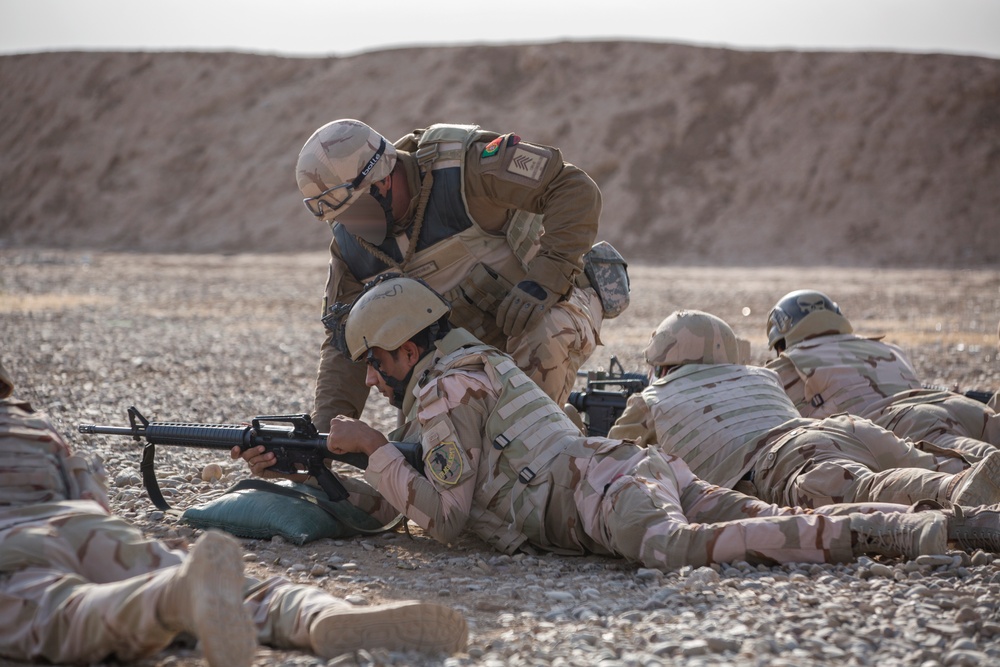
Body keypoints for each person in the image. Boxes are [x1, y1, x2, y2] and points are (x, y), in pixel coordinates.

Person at [240, 275, 961, 571]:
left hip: (603, 492)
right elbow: (427, 492)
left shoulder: (442, 394)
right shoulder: (475, 364)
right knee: (759, 512)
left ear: (404, 346)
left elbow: (449, 519)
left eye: (375, 362)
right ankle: (936, 515)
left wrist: (371, 449)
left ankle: (896, 531)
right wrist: (317, 468)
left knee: (683, 549)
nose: (370, 378)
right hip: (616, 469)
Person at [0, 355, 467, 666]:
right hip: (89, 528)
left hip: (11, 544)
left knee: (57, 613)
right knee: (240, 590)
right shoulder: (29, 422)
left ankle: (170, 599)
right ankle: (314, 613)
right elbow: (90, 499)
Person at [296, 119, 609, 429]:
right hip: (459, 348)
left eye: (353, 212)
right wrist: (323, 437)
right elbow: (346, 343)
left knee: (542, 335)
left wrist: (546, 279)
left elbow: (573, 188)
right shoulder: (351, 247)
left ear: (382, 182)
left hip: (550, 307)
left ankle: (544, 440)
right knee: (429, 457)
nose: (349, 227)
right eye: (339, 219)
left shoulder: (463, 167)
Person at [605, 309, 1000, 554]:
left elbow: (613, 456)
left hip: (780, 459)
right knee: (930, 461)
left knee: (866, 487)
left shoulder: (654, 396)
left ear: (663, 360)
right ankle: (964, 480)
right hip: (837, 429)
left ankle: (953, 496)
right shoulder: (760, 375)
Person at [764, 289, 999, 461]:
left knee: (987, 463)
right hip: (958, 406)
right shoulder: (885, 347)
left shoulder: (785, 366)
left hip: (906, 423)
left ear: (781, 341)